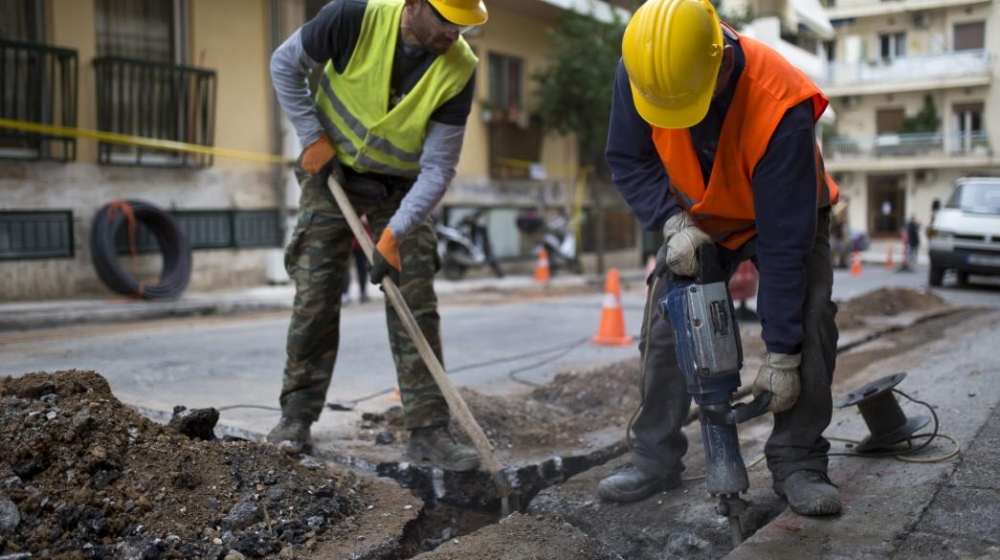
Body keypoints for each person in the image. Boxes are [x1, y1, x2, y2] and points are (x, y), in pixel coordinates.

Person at [600, 0, 842, 516]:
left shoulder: (782, 103)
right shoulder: (643, 70)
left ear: (723, 62)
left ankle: (798, 459)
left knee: (810, 315)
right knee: (666, 322)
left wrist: (781, 354)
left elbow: (784, 248)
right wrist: (670, 221)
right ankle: (654, 456)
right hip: (695, 218)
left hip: (782, 215)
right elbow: (629, 158)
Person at [266, 0, 488, 472]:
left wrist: (396, 233)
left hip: (402, 187)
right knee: (315, 295)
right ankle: (296, 416)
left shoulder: (461, 67)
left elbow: (439, 167)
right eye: (447, 20)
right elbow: (284, 64)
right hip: (332, 170)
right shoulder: (351, 18)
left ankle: (429, 431)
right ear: (415, 4)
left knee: (415, 298)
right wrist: (311, 136)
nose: (455, 33)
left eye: (464, 24)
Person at [342, 215, 374, 304]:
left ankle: (363, 292)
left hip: (361, 243)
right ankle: (345, 294)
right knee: (345, 269)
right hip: (348, 243)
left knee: (362, 268)